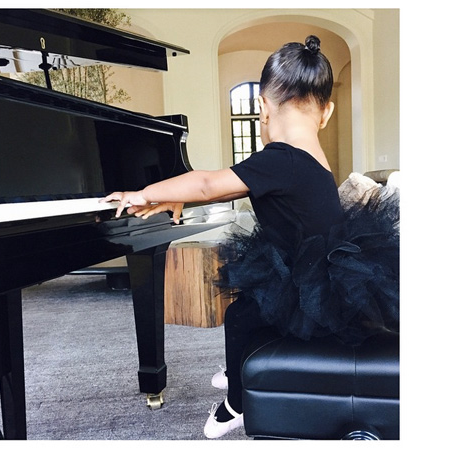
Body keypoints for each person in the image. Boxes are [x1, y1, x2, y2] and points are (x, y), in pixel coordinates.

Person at [101, 35, 399, 439]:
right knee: (255, 303)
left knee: (239, 315)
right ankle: (240, 363)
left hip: (316, 293)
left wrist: (145, 193)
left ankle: (237, 403)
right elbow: (224, 189)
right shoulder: (311, 157)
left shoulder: (280, 157)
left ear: (261, 107)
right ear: (326, 113)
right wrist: (172, 200)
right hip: (325, 277)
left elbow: (208, 184)